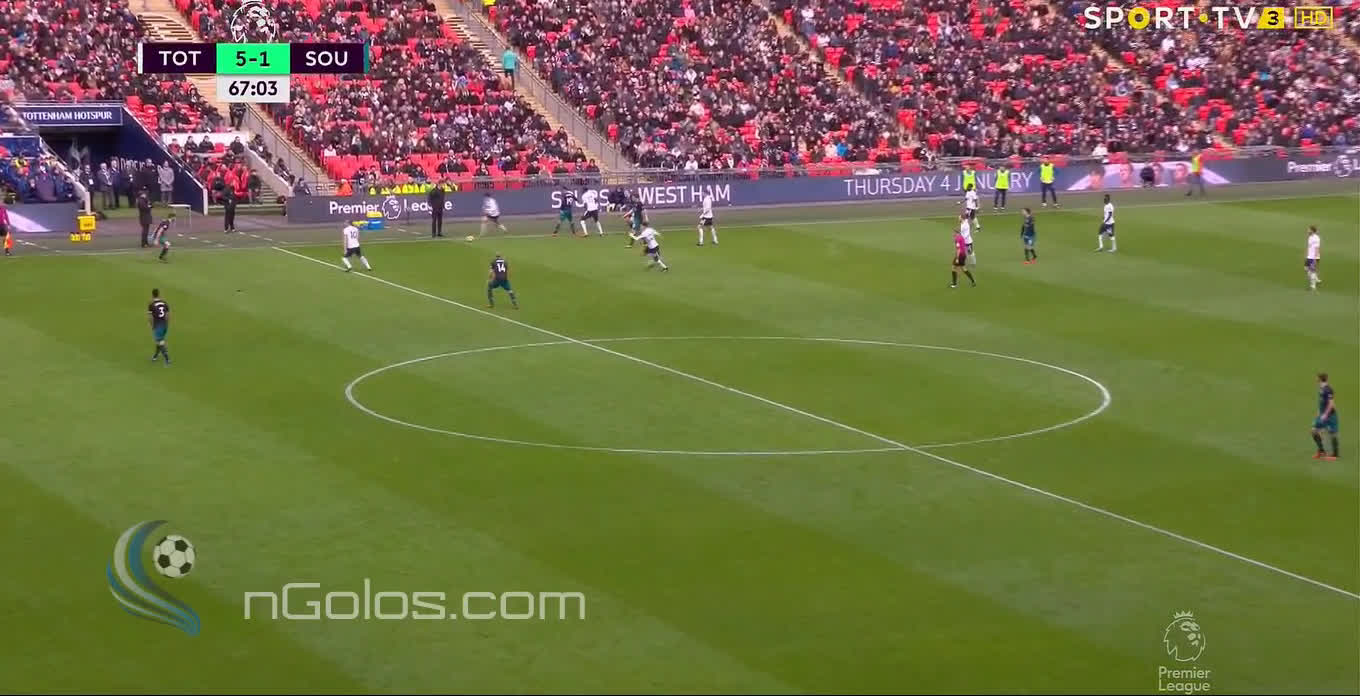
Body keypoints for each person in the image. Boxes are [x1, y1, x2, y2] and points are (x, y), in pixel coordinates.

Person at [1311, 373, 1339, 460]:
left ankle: (1335, 455)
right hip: (1322, 415)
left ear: (1320, 379)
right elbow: (1322, 403)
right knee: (1314, 430)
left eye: (1317, 379)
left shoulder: (1328, 390)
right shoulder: (1321, 389)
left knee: (1332, 433)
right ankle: (1321, 451)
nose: (1316, 380)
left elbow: (1331, 404)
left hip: (1330, 416)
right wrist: (1319, 413)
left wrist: (1325, 415)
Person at [148, 288, 171, 366]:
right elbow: (167, 315)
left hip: (158, 325)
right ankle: (155, 356)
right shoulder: (164, 303)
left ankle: (167, 359)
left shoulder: (151, 305)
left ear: (152, 295)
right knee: (159, 340)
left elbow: (150, 317)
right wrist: (167, 324)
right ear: (159, 294)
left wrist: (152, 326)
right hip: (164, 324)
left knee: (160, 342)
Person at [1305, 225, 1322, 291]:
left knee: (1312, 270)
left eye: (1309, 229)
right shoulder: (1310, 237)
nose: (1307, 230)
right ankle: (1316, 278)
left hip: (1314, 257)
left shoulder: (1316, 238)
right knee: (1306, 268)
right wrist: (1307, 254)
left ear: (1312, 230)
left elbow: (1317, 248)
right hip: (1309, 256)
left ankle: (1313, 286)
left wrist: (1315, 259)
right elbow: (1309, 246)